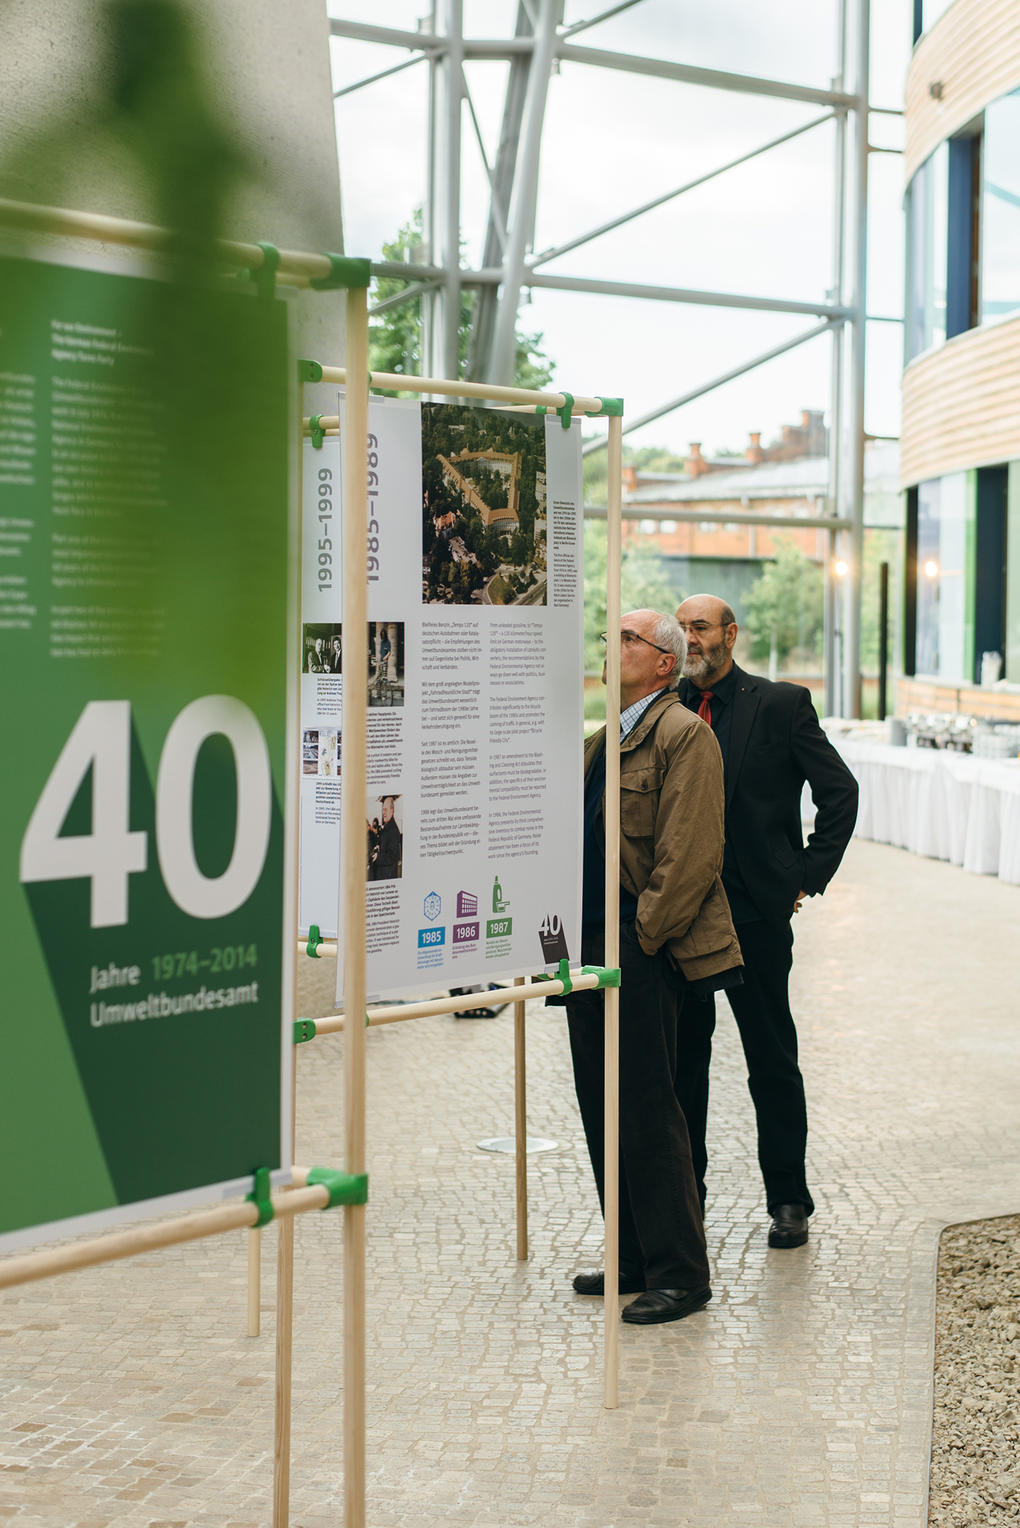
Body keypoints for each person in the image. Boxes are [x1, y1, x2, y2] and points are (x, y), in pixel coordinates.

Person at [561, 609, 742, 1325]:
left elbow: (690, 855)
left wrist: (643, 937)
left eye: (627, 639)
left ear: (665, 662)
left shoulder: (683, 735)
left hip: (640, 949)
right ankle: (632, 1255)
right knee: (599, 1103)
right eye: (610, 639)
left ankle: (680, 1273)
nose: (612, 648)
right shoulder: (604, 739)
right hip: (585, 947)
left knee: (646, 1107)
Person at [673, 593, 859, 1249]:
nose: (690, 639)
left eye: (700, 627)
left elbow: (839, 791)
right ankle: (685, 1202)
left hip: (754, 911)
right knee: (683, 1064)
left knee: (771, 1059)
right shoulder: (667, 705)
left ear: (730, 634)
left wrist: (803, 874)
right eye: (681, 628)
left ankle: (788, 1199)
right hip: (682, 916)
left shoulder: (780, 704)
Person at [373, 794, 403, 880]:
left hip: (387, 876)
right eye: (383, 810)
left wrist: (378, 857)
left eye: (386, 810)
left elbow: (392, 856)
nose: (383, 813)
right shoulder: (387, 826)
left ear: (392, 810)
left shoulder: (393, 830)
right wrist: (379, 846)